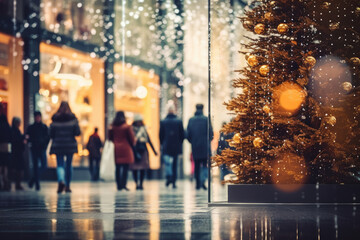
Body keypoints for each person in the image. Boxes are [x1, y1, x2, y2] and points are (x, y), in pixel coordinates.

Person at [50, 101, 80, 193]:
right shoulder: (73, 119)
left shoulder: (55, 119)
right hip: (70, 145)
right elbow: (77, 132)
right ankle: (67, 185)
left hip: (58, 145)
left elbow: (51, 134)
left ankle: (61, 180)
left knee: (60, 164)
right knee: (68, 165)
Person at [187, 104, 213, 190]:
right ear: (203, 108)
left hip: (195, 146)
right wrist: (208, 141)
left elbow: (188, 134)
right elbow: (211, 133)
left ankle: (198, 184)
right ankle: (203, 180)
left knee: (197, 165)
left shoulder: (191, 120)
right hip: (205, 146)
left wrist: (192, 142)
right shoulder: (206, 119)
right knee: (205, 165)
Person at [109, 111, 135, 191]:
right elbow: (132, 139)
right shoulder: (126, 127)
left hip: (116, 148)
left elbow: (109, 138)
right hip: (125, 148)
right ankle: (123, 184)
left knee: (117, 167)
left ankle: (118, 185)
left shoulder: (112, 127)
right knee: (125, 168)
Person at [159, 105, 184, 188]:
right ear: (174, 111)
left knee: (167, 163)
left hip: (166, 145)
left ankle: (169, 176)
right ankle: (173, 181)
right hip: (176, 146)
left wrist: (162, 144)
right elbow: (182, 135)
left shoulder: (163, 121)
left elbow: (160, 135)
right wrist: (180, 143)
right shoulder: (178, 121)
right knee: (174, 164)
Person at [130, 115, 157, 190]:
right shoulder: (131, 130)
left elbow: (149, 140)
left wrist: (154, 151)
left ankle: (141, 183)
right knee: (134, 168)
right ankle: (136, 183)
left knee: (142, 168)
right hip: (134, 150)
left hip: (143, 150)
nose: (139, 123)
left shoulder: (144, 129)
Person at [26, 111, 50, 191]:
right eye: (36, 117)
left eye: (38, 117)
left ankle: (33, 180)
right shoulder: (31, 127)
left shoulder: (44, 127)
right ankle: (37, 184)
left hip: (42, 149)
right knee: (35, 166)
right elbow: (27, 137)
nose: (37, 118)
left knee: (44, 166)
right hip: (34, 149)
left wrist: (44, 145)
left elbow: (48, 137)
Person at [10, 117, 26, 190]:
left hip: (16, 152)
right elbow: (16, 140)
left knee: (18, 168)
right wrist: (22, 140)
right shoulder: (14, 131)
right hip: (16, 152)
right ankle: (17, 183)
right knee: (18, 168)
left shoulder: (16, 131)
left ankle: (17, 183)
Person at [0, 108, 11, 191]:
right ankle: (5, 180)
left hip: (1, 145)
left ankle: (2, 182)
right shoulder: (7, 125)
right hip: (6, 146)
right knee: (5, 165)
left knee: (1, 165)